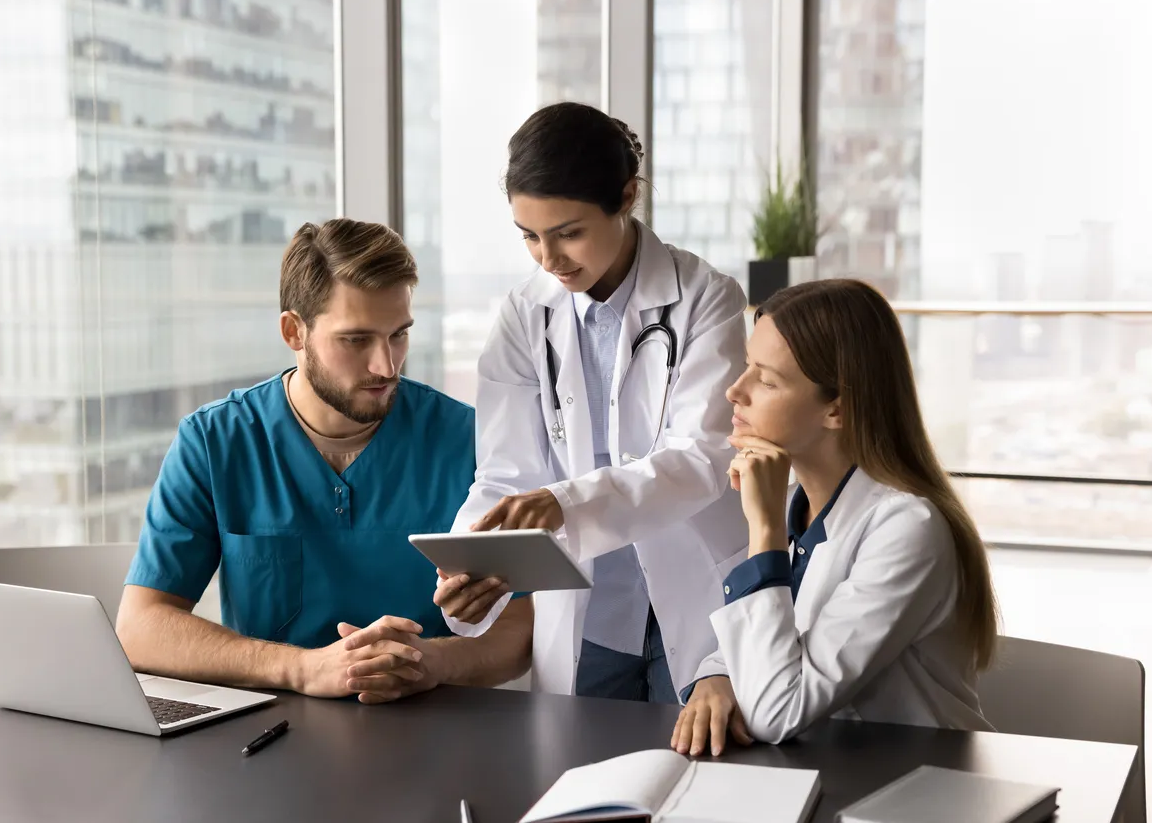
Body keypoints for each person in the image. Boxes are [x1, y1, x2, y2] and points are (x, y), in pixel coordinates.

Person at [116, 219, 532, 705]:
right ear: (295, 331)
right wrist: (303, 668)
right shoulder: (214, 441)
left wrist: (433, 662)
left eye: (398, 335)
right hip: (270, 737)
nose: (387, 365)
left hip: (441, 730)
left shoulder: (470, 441)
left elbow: (520, 628)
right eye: (356, 340)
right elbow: (141, 627)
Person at [435, 102, 750, 705]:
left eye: (568, 233)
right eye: (529, 236)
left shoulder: (706, 299)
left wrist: (564, 503)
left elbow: (705, 456)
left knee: (694, 776)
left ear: (626, 196)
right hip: (591, 603)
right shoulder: (525, 315)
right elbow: (506, 473)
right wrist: (472, 561)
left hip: (693, 591)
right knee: (579, 779)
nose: (549, 260)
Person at [672, 279, 1000, 754]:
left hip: (924, 788)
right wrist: (715, 675)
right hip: (834, 768)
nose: (734, 392)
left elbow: (776, 711)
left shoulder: (907, 529)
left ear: (837, 409)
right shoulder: (794, 500)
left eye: (765, 380)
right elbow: (766, 639)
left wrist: (763, 532)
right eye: (747, 366)